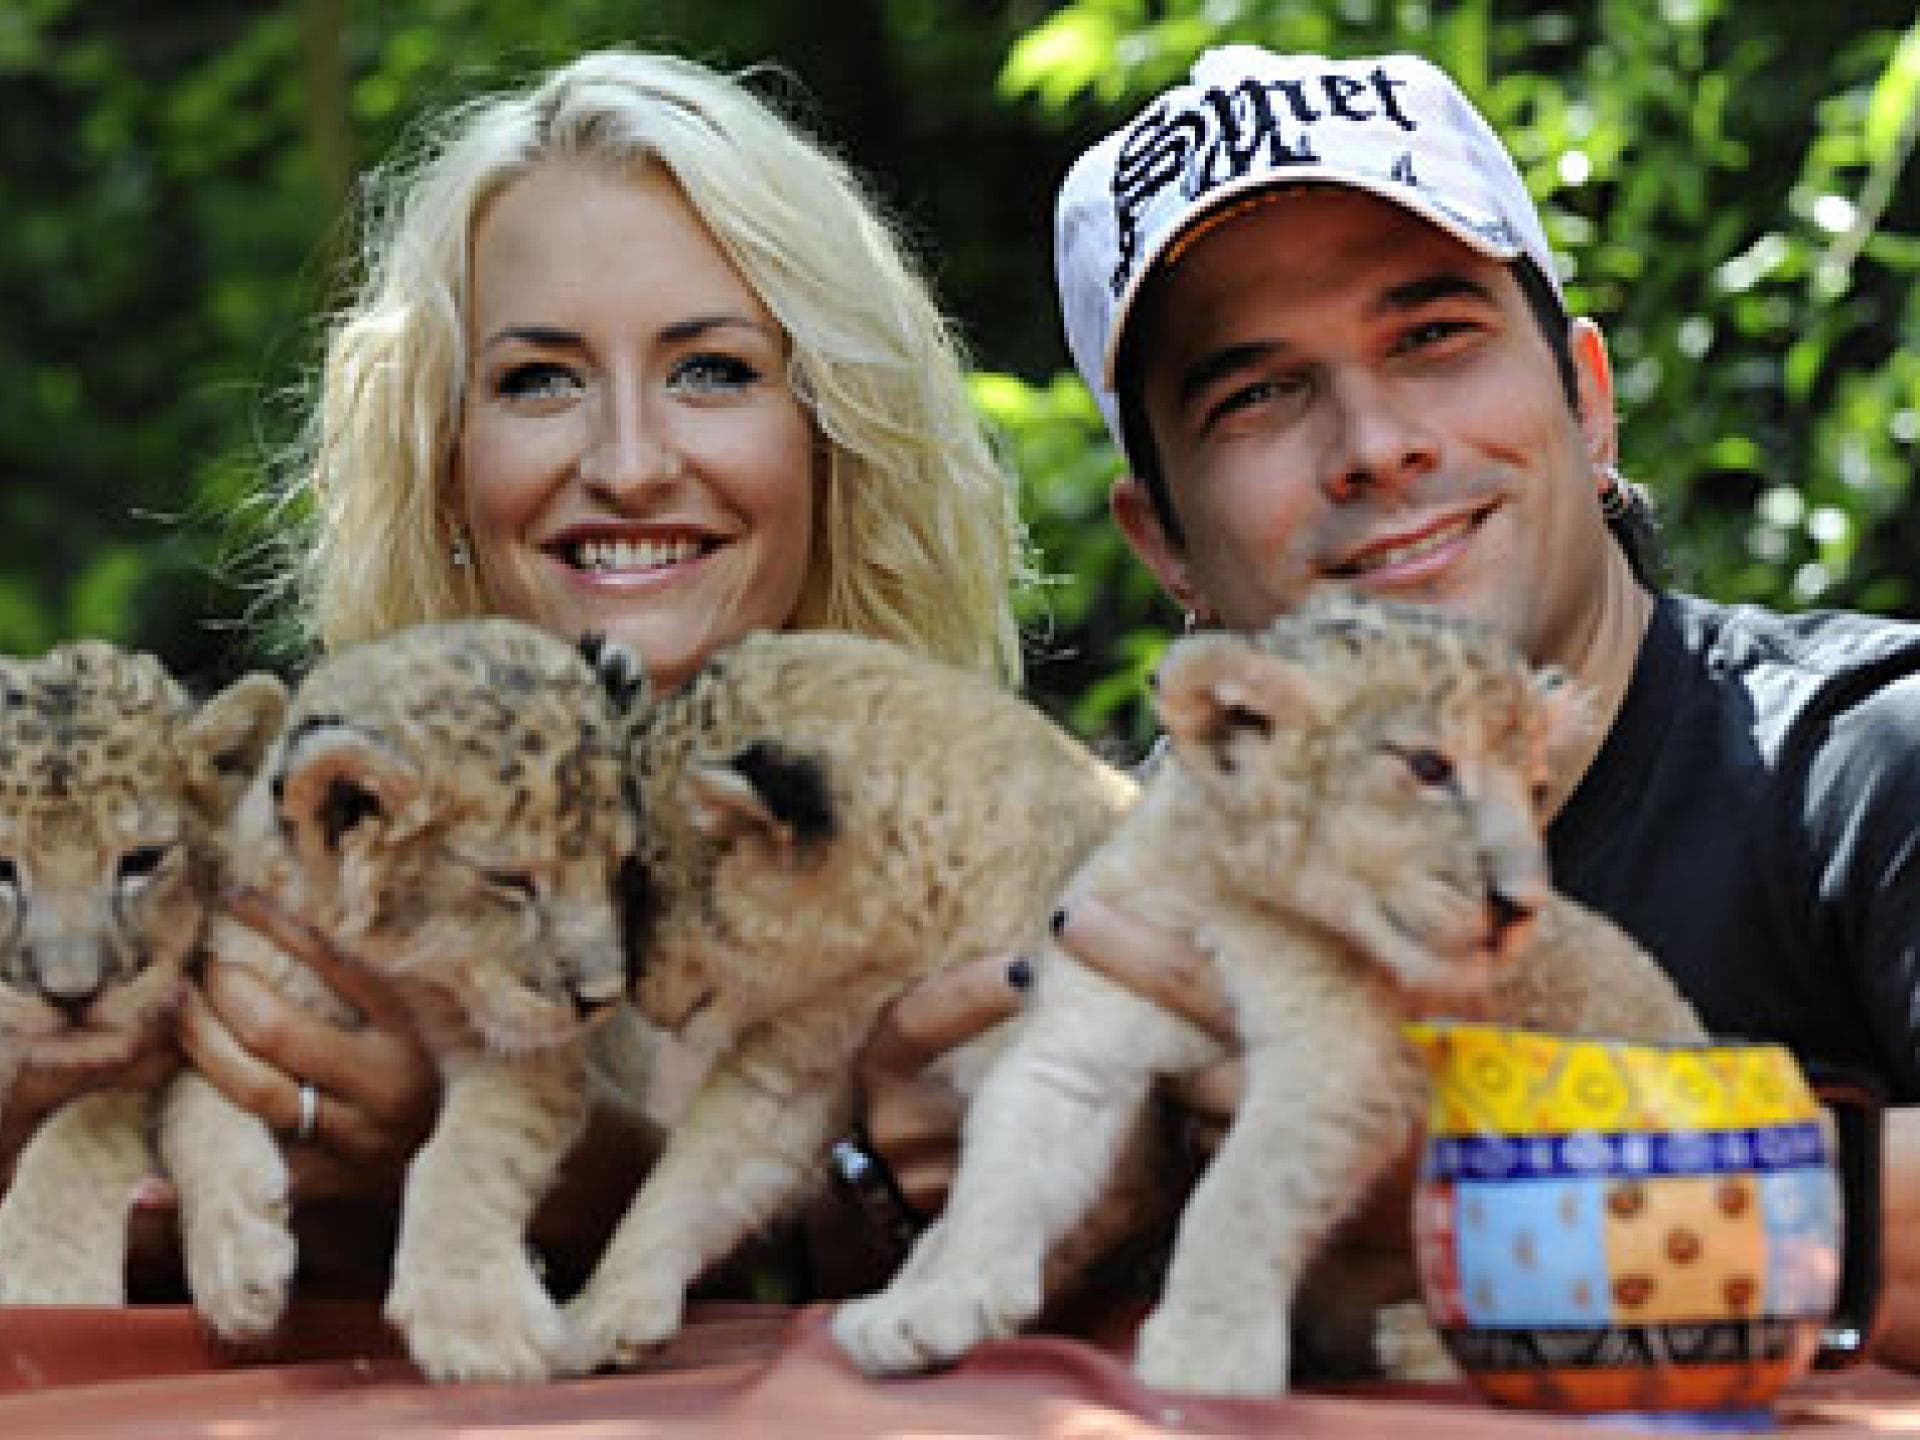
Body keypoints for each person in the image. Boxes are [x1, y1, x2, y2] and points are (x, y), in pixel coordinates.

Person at [0, 47, 1032, 1297]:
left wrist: (583, 1183)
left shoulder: (1006, 861)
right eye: (539, 380)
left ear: (838, 437)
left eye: (712, 370)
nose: (631, 464)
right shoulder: (277, 843)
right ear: (443, 463)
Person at [1018, 43, 1920, 1366]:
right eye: (1257, 393)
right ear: (1165, 544)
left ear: (1588, 403)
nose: (1376, 445)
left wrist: (1503, 1188)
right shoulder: (1126, 901)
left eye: (1433, 336)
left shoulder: (1867, 764)